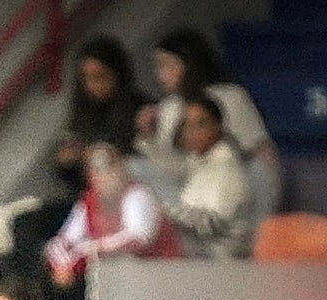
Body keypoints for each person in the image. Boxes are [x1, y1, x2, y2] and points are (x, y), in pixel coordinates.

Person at [134, 27, 280, 222]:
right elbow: (172, 168)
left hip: (231, 192)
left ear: (189, 63)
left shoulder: (230, 97)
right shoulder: (168, 107)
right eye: (159, 67)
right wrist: (149, 136)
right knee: (134, 167)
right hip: (188, 191)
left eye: (167, 65)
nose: (160, 75)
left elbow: (262, 157)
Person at [44, 144, 181, 300]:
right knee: (55, 283)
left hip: (156, 276)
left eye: (108, 168)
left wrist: (92, 248)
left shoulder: (138, 195)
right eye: (96, 170)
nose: (103, 176)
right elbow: (64, 239)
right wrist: (63, 266)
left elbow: (138, 239)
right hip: (111, 278)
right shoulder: (89, 201)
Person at [160, 96, 253, 259]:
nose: (191, 132)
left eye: (200, 124)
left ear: (218, 127)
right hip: (198, 252)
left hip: (222, 258)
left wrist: (165, 213)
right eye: (186, 125)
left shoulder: (227, 167)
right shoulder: (198, 162)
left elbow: (214, 224)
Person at [54, 37, 149, 194]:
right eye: (86, 79)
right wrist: (68, 161)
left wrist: (105, 156)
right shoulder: (83, 114)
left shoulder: (142, 112)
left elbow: (146, 166)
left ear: (117, 74)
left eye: (99, 77)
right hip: (94, 195)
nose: (92, 86)